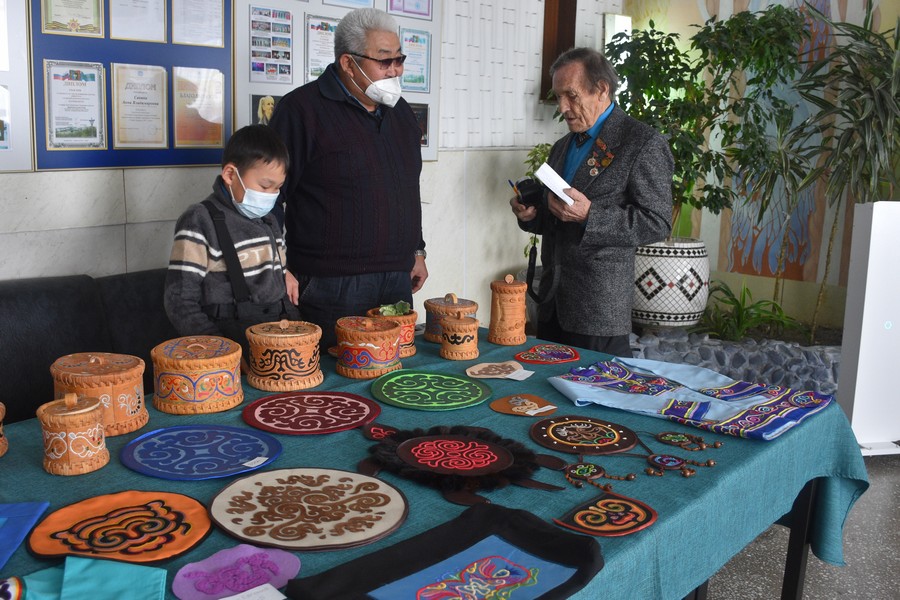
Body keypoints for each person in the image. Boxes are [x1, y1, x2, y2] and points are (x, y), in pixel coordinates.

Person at [269, 7, 427, 349]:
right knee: (335, 391)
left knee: (393, 376)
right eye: (384, 60)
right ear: (348, 63)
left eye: (399, 59)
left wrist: (417, 249)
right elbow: (269, 196)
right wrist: (276, 266)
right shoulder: (300, 111)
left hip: (397, 280)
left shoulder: (401, 113)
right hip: (330, 285)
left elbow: (406, 187)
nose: (395, 70)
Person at [510, 47, 673, 357]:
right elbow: (556, 217)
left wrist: (590, 215)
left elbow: (657, 222)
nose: (563, 107)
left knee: (597, 396)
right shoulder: (561, 147)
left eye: (571, 96)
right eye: (558, 97)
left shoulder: (642, 143)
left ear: (601, 90)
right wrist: (531, 215)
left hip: (599, 311)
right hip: (552, 302)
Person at [164, 124, 299, 361]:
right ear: (230, 175)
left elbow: (280, 278)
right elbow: (179, 301)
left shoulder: (268, 220)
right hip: (229, 345)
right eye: (265, 186)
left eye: (277, 188)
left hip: (280, 339)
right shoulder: (199, 220)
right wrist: (218, 351)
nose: (270, 196)